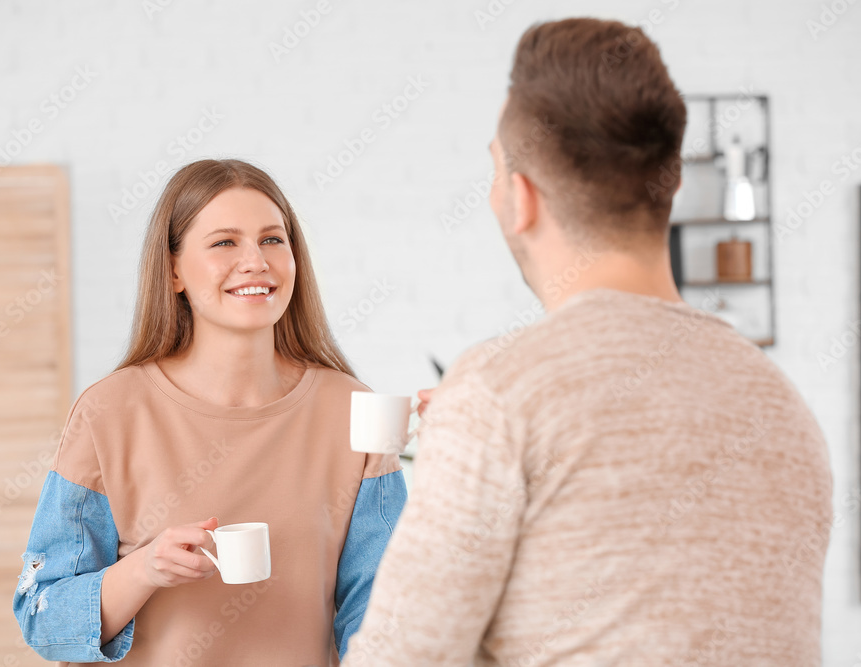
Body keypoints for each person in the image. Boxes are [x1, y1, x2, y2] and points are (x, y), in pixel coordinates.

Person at [342, 18, 832, 666]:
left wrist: (468, 442)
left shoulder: (498, 390)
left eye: (495, 168)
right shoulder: (782, 405)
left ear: (521, 198)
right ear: (670, 186)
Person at [13, 159, 407, 666]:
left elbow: (384, 611)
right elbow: (42, 618)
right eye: (225, 242)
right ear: (174, 270)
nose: (256, 261)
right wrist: (145, 569)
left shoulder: (355, 410)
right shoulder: (109, 413)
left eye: (272, 239)